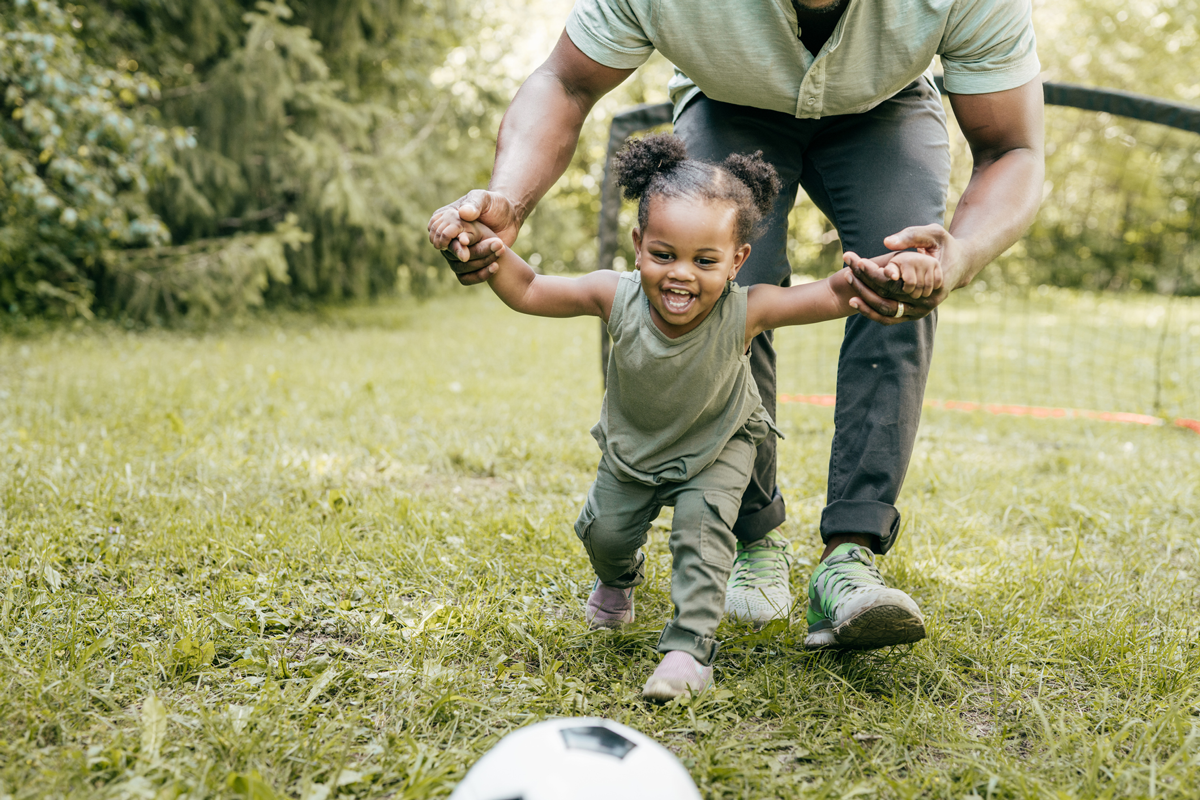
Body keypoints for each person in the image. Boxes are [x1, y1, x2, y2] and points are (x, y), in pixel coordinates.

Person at [428, 0, 1045, 650]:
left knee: (901, 275)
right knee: (714, 292)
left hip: (884, 109)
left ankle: (850, 557)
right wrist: (510, 195)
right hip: (727, 102)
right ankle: (752, 531)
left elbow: (1014, 147)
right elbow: (566, 80)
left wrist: (963, 253)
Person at [431, 135, 932, 699]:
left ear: (737, 261)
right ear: (639, 243)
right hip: (633, 449)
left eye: (705, 261)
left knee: (703, 541)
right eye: (664, 255)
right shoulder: (611, 294)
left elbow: (831, 294)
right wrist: (485, 248)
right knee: (605, 534)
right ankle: (619, 579)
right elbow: (528, 287)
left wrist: (887, 272)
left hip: (718, 449)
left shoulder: (747, 309)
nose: (681, 276)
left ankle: (688, 652)